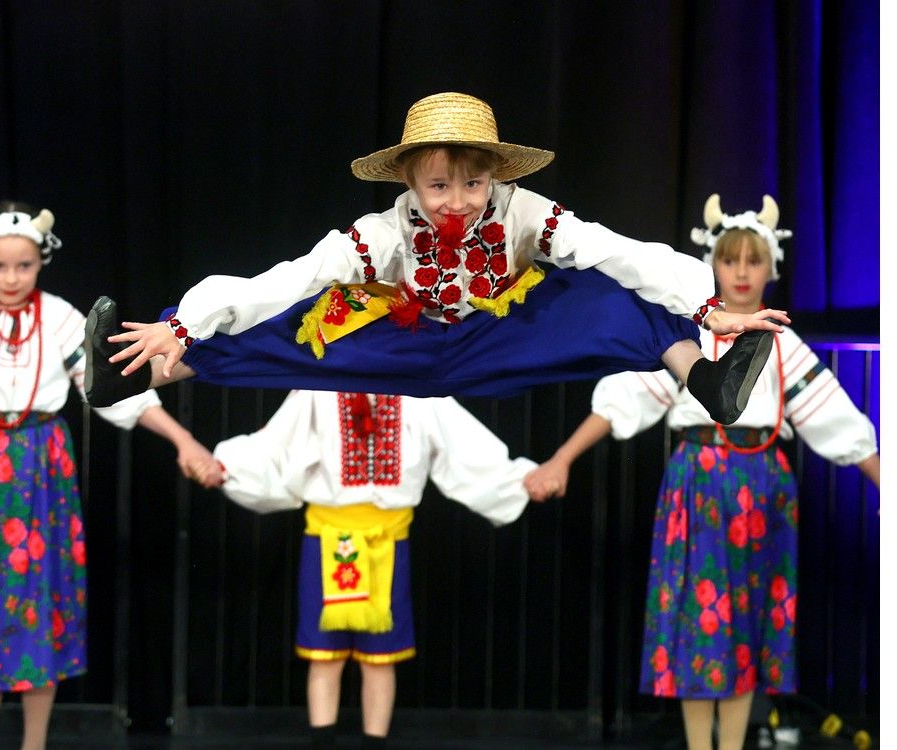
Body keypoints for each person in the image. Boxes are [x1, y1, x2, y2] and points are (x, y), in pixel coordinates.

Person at [83, 92, 789, 425]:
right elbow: (291, 275)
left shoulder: (525, 213)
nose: (456, 201)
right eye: (438, 184)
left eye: (473, 182)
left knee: (620, 291)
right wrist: (183, 326)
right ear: (410, 182)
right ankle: (138, 373)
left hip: (496, 334)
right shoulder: (382, 233)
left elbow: (617, 249)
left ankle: (707, 381)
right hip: (401, 338)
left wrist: (710, 306)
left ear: (495, 177)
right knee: (283, 317)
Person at [523, 194, 880, 750]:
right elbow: (625, 400)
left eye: (753, 261)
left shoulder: (787, 347)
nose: (741, 272)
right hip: (700, 491)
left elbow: (837, 422)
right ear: (714, 265)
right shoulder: (689, 341)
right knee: (701, 622)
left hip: (762, 493)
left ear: (771, 268)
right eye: (731, 260)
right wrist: (561, 459)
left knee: (743, 625)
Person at [0, 201, 218, 750]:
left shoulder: (59, 318)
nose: (11, 278)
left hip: (38, 475)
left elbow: (113, 394)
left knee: (37, 604)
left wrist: (184, 440)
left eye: (24, 266)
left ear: (41, 262)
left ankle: (35, 744)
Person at [190, 388, 537, 748]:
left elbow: (465, 446)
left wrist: (516, 481)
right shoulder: (317, 391)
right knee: (325, 657)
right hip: (327, 538)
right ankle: (322, 742)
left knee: (379, 659)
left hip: (387, 541)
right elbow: (277, 442)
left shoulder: (421, 392)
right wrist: (228, 469)